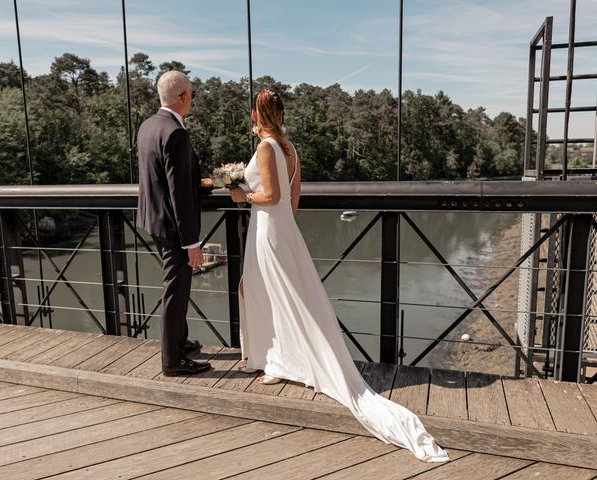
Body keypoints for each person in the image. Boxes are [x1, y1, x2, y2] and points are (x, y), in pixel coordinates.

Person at [228, 89, 449, 462]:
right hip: (283, 229)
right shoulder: (290, 148)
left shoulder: (267, 149)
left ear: (258, 114)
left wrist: (241, 196)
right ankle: (280, 358)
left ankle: (279, 361)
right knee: (284, 294)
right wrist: (285, 225)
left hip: (266, 229)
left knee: (272, 293)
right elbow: (294, 197)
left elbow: (272, 195)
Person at [137, 70, 212, 376]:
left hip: (152, 219)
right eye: (191, 94)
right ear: (183, 97)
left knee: (175, 286)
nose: (191, 99)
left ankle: (179, 343)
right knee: (176, 290)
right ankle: (172, 360)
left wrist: (201, 182)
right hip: (172, 227)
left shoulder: (149, 125)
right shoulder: (176, 132)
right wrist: (191, 243)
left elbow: (167, 177)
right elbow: (178, 193)